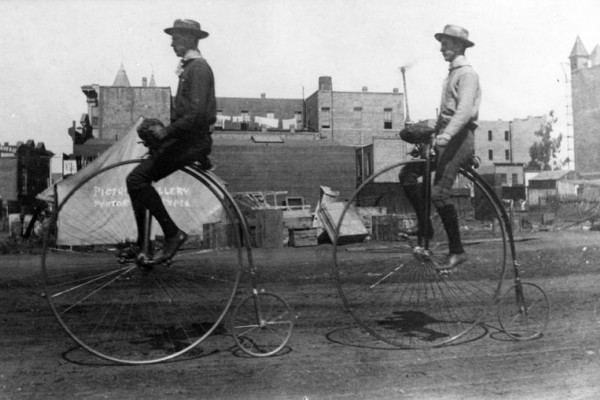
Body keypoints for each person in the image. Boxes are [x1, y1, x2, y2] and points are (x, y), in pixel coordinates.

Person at [120, 19, 216, 263]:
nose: (172, 43)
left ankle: (172, 234)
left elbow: (197, 115)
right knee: (137, 181)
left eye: (176, 38)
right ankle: (144, 245)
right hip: (188, 141)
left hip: (190, 142)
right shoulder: (189, 69)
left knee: (137, 179)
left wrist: (167, 133)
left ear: (190, 39)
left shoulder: (199, 69)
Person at [399, 24, 481, 270]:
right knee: (408, 174)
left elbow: (464, 111)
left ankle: (457, 251)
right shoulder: (452, 74)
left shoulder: (467, 74)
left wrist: (445, 135)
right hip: (446, 138)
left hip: (459, 140)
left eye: (445, 44)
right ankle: (425, 225)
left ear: (457, 45)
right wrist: (423, 129)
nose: (441, 49)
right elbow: (446, 113)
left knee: (439, 193)